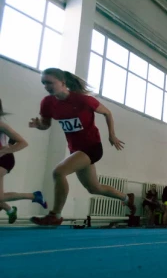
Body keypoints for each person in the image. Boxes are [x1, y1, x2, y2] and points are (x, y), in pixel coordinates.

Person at [29, 68, 135, 226]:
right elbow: (46, 125)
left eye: (50, 83)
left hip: (92, 147)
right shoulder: (47, 103)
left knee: (59, 172)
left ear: (63, 83)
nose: (46, 86)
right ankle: (127, 198)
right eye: (44, 83)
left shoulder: (83, 100)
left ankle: (55, 215)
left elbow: (107, 113)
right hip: (76, 150)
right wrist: (39, 125)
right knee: (94, 188)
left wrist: (111, 135)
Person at [0, 99, 47, 224]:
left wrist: (5, 150)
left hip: (4, 159)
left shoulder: (1, 125)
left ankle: (8, 208)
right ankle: (31, 197)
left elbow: (23, 143)